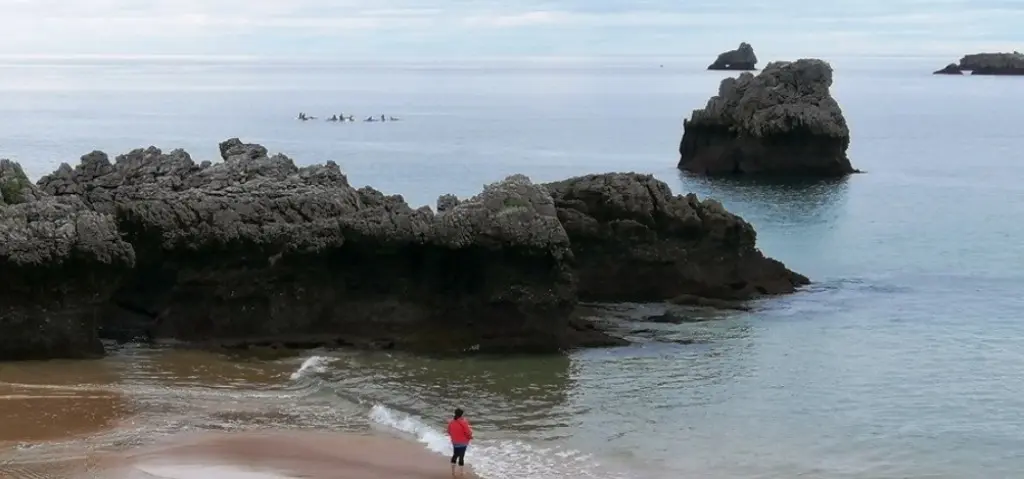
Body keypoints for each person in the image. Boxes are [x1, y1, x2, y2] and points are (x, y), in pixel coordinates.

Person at [447, 408, 472, 477]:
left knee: (455, 455)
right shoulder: (464, 422)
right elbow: (468, 432)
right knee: (461, 456)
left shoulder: (451, 422)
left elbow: (449, 431)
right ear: (461, 415)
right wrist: (470, 437)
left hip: (455, 442)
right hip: (463, 443)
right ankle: (461, 472)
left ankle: (453, 472)